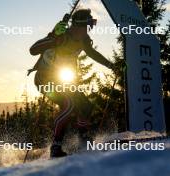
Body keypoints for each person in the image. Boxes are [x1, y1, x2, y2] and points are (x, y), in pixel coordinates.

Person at [29, 9, 114, 157]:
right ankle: (56, 147)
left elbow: (92, 53)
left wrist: (111, 65)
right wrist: (53, 36)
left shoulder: (84, 40)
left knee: (86, 105)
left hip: (63, 81)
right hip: (44, 78)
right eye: (86, 26)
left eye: (90, 26)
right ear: (76, 26)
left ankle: (83, 139)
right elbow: (33, 50)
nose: (88, 30)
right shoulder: (62, 36)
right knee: (68, 104)